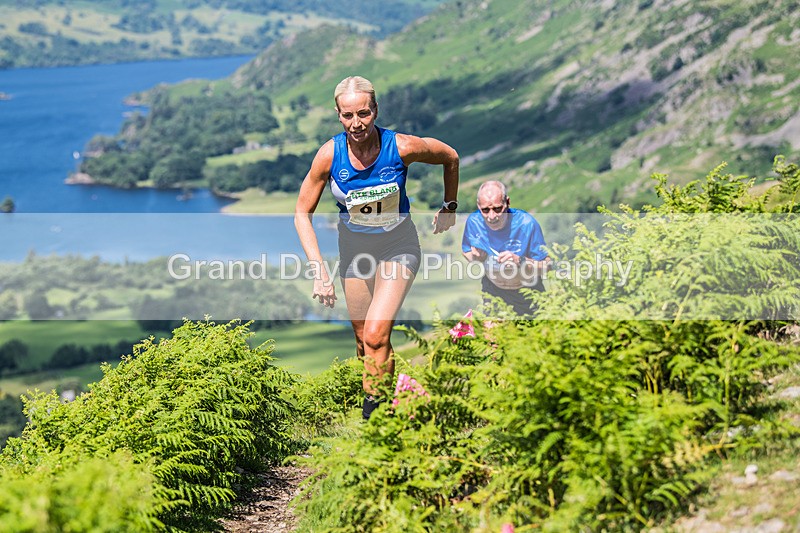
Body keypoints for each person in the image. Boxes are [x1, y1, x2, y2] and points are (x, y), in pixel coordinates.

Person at [295, 75, 459, 420]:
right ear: (338, 115)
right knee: (365, 342)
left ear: (376, 110)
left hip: (398, 245)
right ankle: (396, 404)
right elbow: (301, 213)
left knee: (375, 333)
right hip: (354, 250)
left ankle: (376, 426)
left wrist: (450, 206)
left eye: (364, 114)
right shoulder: (329, 155)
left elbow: (450, 156)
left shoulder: (401, 146)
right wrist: (319, 272)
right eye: (348, 115)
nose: (357, 123)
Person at [462, 180, 550, 315]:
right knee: (493, 335)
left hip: (528, 292)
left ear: (507, 203)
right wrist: (477, 258)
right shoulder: (473, 222)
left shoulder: (527, 223)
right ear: (478, 206)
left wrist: (520, 262)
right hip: (493, 290)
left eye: (497, 209)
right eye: (485, 210)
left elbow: (547, 266)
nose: (492, 216)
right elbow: (466, 251)